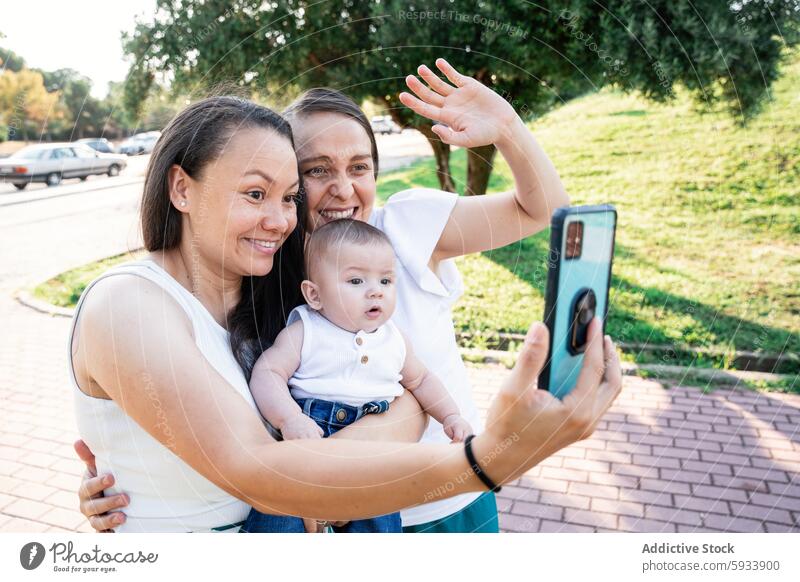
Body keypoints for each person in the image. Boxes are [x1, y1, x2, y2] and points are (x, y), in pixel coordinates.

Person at [75, 60, 622, 533]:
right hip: (351, 511)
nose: (340, 188)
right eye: (312, 175)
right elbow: (248, 450)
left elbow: (543, 211)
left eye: (359, 167)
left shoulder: (397, 228)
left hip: (430, 498)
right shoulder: (276, 280)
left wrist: (506, 129)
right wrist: (137, 472)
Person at [244, 219, 471, 533]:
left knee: (380, 523)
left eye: (386, 281)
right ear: (314, 295)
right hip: (309, 437)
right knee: (280, 517)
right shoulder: (305, 331)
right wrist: (289, 419)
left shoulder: (394, 340)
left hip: (374, 458)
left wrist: (450, 414)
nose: (375, 292)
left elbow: (422, 381)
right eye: (355, 281)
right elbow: (268, 373)